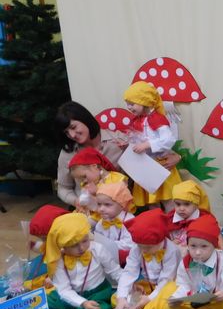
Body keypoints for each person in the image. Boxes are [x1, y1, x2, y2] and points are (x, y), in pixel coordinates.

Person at [44, 213, 122, 309]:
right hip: (70, 294)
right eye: (74, 245)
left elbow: (115, 271)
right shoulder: (58, 261)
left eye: (85, 241)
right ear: (62, 246)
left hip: (98, 295)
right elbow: (64, 290)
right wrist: (82, 303)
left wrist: (128, 284)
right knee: (43, 301)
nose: (81, 248)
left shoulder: (98, 249)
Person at [114, 209, 182, 309]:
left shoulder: (172, 251)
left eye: (148, 247)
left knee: (167, 299)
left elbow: (166, 281)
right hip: (148, 285)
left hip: (167, 287)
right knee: (116, 297)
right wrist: (121, 298)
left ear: (161, 240)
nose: (143, 250)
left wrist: (149, 299)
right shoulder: (137, 248)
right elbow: (129, 272)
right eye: (140, 246)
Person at [163, 214, 223, 309]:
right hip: (193, 303)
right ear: (187, 245)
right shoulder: (185, 262)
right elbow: (183, 285)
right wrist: (176, 298)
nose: (197, 252)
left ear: (214, 246)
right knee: (167, 308)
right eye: (193, 246)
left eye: (204, 246)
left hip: (216, 303)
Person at [123, 81, 182, 209]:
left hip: (161, 164)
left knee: (168, 199)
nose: (128, 107)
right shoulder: (137, 120)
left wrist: (148, 144)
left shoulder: (156, 118)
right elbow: (138, 139)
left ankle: (173, 221)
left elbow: (168, 140)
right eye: (127, 104)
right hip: (146, 166)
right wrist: (127, 143)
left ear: (144, 101)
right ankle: (156, 221)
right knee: (151, 201)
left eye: (132, 103)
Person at [54, 101, 124, 207]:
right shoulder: (68, 153)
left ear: (85, 119)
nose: (72, 135)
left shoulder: (118, 141)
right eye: (66, 132)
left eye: (73, 127)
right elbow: (63, 188)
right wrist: (76, 201)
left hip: (120, 208)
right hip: (86, 210)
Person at [68, 148, 128, 217]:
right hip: (90, 216)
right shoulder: (86, 184)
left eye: (84, 176)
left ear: (94, 166)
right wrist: (82, 205)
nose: (83, 181)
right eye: (80, 180)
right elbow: (87, 205)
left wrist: (97, 192)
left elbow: (121, 205)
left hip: (110, 219)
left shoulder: (117, 179)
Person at [93, 181, 136, 265]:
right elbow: (98, 238)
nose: (101, 209)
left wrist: (109, 245)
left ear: (122, 204)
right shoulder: (101, 222)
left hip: (127, 260)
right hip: (107, 258)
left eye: (107, 204)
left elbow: (130, 243)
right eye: (99, 204)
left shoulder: (129, 220)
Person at [167, 180, 211, 251]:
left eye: (187, 204)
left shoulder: (203, 218)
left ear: (196, 204)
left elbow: (215, 233)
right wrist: (171, 243)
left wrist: (222, 246)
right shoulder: (170, 218)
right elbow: (164, 237)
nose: (181, 208)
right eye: (178, 204)